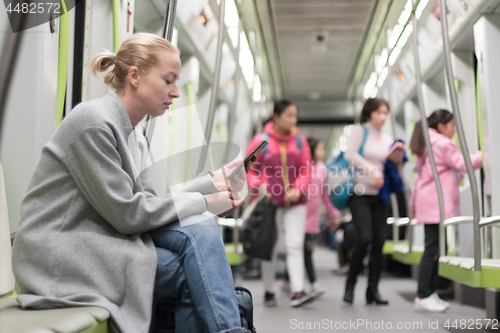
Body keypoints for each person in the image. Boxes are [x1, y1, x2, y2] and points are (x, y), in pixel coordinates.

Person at [12, 33, 252, 333]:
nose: (176, 92)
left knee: (200, 229)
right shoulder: (93, 122)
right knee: (192, 269)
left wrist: (210, 184)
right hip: (58, 258)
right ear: (135, 76)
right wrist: (206, 202)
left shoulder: (134, 135)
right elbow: (129, 215)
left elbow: (148, 204)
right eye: (168, 80)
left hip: (100, 243)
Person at [409, 109, 482, 313]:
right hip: (435, 203)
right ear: (441, 127)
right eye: (452, 127)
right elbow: (463, 163)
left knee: (434, 248)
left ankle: (429, 293)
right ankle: (423, 295)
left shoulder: (428, 144)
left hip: (429, 201)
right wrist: (488, 153)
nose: (454, 131)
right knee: (432, 248)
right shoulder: (441, 143)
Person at [246, 100, 313, 307]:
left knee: (295, 245)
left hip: (296, 201)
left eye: (295, 116)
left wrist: (298, 188)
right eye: (289, 116)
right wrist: (260, 185)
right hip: (270, 203)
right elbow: (249, 170)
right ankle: (269, 290)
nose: (293, 120)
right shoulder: (261, 141)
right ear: (276, 116)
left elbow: (306, 169)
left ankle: (298, 291)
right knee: (270, 246)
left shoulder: (300, 141)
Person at [343, 98, 404, 305]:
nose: (383, 117)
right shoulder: (360, 131)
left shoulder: (387, 138)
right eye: (379, 112)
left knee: (379, 242)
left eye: (385, 113)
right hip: (360, 193)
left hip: (380, 195)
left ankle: (373, 290)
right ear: (369, 113)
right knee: (364, 238)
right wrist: (371, 169)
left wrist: (396, 161)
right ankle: (350, 285)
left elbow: (389, 166)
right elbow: (349, 154)